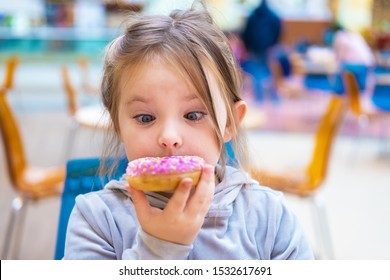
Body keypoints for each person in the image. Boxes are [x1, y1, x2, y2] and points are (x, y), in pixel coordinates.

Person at [63, 1, 314, 260]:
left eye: (193, 115)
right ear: (118, 127)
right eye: (145, 117)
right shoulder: (95, 221)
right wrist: (158, 248)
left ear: (229, 122)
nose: (169, 137)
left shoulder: (270, 220)